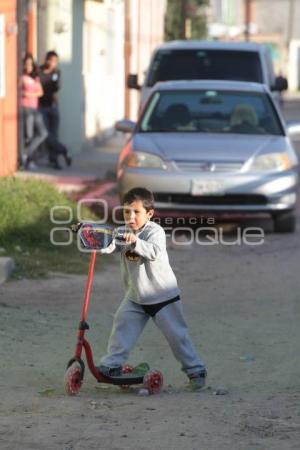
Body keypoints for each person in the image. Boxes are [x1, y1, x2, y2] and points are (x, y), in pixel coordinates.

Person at [97, 187, 207, 390]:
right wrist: (93, 240)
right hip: (136, 297)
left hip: (163, 296)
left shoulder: (155, 232)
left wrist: (135, 242)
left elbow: (154, 252)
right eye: (126, 212)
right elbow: (110, 244)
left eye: (136, 212)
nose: (131, 217)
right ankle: (112, 365)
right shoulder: (122, 231)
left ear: (149, 213)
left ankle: (195, 370)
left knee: (177, 336)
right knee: (122, 325)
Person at [39, 50, 71, 169]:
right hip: (42, 107)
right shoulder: (39, 71)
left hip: (53, 106)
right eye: (51, 61)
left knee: (54, 135)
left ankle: (55, 160)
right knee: (47, 135)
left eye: (55, 62)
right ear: (46, 60)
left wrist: (55, 75)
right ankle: (64, 151)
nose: (53, 63)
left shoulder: (56, 73)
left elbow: (57, 88)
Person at [20, 53, 48, 170]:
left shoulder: (35, 77)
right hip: (26, 108)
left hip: (34, 108)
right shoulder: (22, 77)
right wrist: (25, 94)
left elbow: (40, 92)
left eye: (30, 64)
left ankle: (25, 153)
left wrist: (29, 94)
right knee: (29, 135)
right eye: (26, 64)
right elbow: (18, 91)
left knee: (43, 133)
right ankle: (28, 161)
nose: (28, 67)